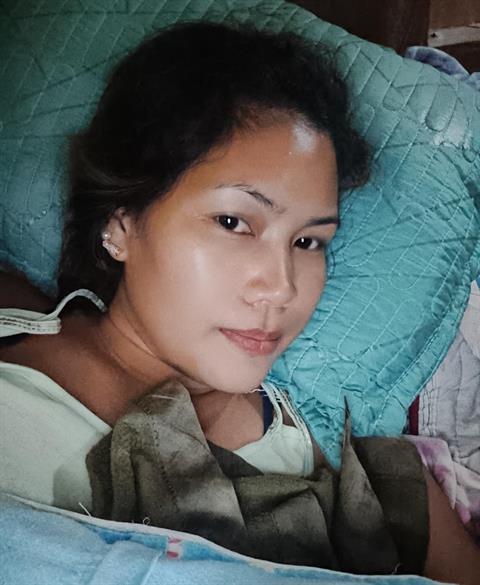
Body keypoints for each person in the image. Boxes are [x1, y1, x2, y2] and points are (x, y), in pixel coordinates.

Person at [0, 21, 478, 583]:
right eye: (233, 221)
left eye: (308, 241)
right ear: (121, 221)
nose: (282, 288)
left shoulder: (342, 461)